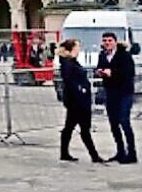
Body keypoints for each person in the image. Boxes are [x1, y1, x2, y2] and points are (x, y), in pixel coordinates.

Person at [57, 39, 102, 163]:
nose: (79, 48)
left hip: (79, 100)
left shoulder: (72, 61)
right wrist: (80, 90)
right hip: (77, 101)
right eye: (77, 46)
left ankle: (65, 153)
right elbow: (69, 80)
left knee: (70, 127)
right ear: (71, 48)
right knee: (83, 128)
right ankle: (94, 155)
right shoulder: (67, 63)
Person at [95, 32, 137, 164]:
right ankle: (120, 151)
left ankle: (132, 153)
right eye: (105, 41)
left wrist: (112, 72)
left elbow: (130, 72)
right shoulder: (102, 55)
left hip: (124, 92)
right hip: (110, 92)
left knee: (124, 120)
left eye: (109, 40)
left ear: (115, 42)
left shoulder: (124, 55)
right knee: (113, 123)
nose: (107, 43)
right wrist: (99, 72)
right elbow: (99, 67)